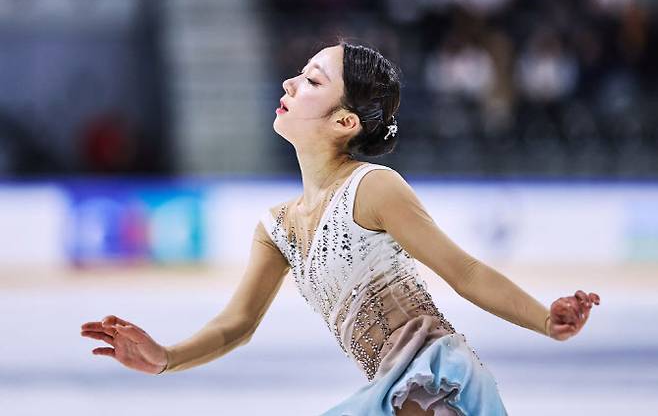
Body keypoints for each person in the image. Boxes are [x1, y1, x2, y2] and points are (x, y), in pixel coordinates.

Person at [80, 41, 600, 415]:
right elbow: (235, 325)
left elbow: (463, 270)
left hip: (432, 380)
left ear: (344, 122)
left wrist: (543, 320)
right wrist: (166, 357)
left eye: (311, 80)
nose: (289, 82)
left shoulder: (374, 188)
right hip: (391, 389)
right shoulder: (277, 227)